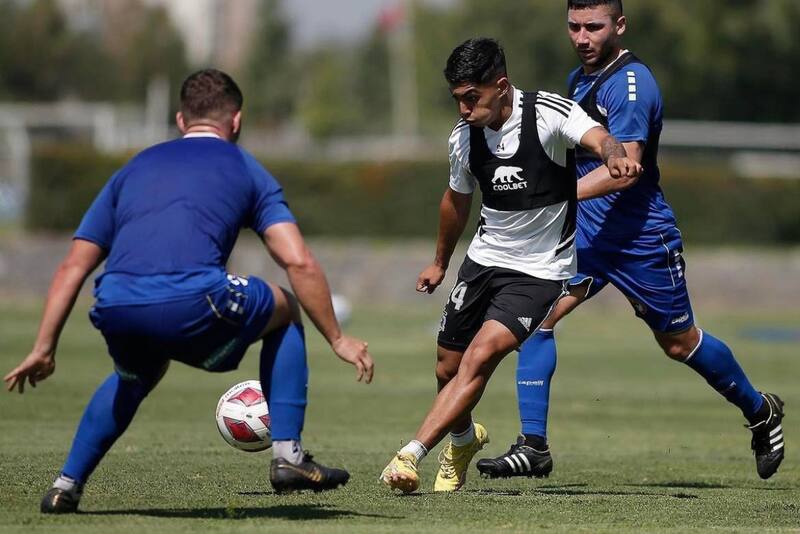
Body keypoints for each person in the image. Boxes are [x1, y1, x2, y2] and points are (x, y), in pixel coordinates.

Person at [3, 69, 375, 513]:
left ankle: (67, 484)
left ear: (181, 121)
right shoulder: (245, 168)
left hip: (116, 304)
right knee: (287, 309)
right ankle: (287, 456)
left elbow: (73, 265)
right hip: (195, 299)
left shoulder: (132, 168)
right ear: (236, 122)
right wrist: (337, 337)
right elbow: (298, 260)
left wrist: (44, 347)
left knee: (136, 373)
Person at [477, 0, 784, 481]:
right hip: (586, 234)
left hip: (639, 235)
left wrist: (552, 195)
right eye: (574, 27)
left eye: (594, 27)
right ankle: (533, 445)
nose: (582, 37)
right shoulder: (580, 80)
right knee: (535, 320)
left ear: (619, 25)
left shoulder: (631, 85)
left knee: (679, 343)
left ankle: (760, 409)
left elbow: (626, 169)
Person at [379, 37, 642, 494]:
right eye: (457, 98)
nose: (463, 108)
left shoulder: (548, 114)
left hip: (541, 270)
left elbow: (598, 137)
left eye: (471, 97)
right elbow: (456, 203)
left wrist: (614, 156)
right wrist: (440, 262)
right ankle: (463, 440)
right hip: (483, 261)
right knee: (447, 367)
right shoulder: (463, 139)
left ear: (501, 85)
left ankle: (410, 455)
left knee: (480, 357)